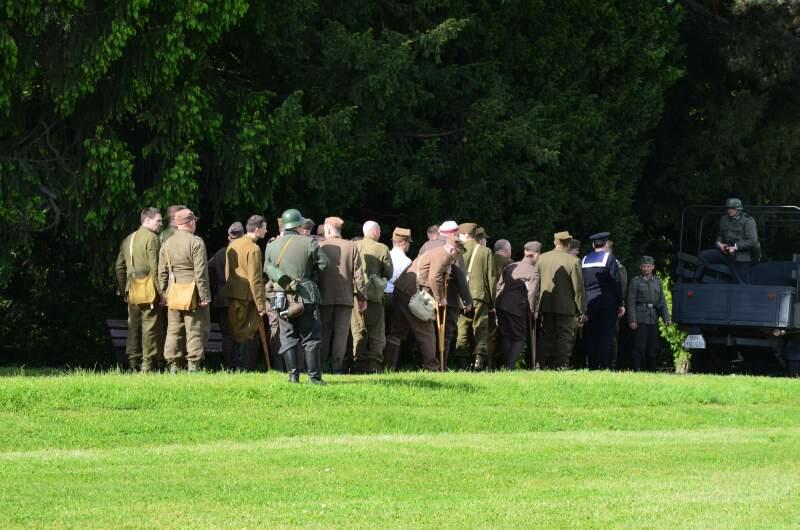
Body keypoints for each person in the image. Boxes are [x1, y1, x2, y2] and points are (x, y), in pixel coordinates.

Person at [264, 208, 330, 384]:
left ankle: (293, 377)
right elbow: (325, 265)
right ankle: (314, 378)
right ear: (299, 225)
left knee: (287, 336)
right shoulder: (309, 242)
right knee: (310, 337)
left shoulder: (271, 245)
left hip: (280, 296)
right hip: (305, 295)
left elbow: (267, 269)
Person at [385, 236, 465, 371]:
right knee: (426, 330)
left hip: (401, 291)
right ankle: (432, 367)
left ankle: (388, 366)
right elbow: (434, 278)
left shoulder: (436, 252)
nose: (457, 257)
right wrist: (440, 298)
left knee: (397, 331)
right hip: (413, 294)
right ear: (452, 249)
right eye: (457, 253)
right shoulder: (444, 255)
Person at [157, 208, 211, 373]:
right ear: (191, 222)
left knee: (174, 329)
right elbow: (200, 272)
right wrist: (204, 296)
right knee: (194, 328)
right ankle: (193, 365)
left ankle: (174, 365)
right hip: (192, 292)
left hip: (173, 291)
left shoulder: (167, 243)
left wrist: (164, 294)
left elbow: (162, 272)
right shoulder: (196, 242)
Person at [115, 207, 164, 372]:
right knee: (150, 327)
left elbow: (119, 267)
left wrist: (124, 291)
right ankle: (147, 365)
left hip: (132, 289)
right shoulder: (152, 238)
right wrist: (162, 293)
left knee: (133, 326)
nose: (161, 224)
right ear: (147, 220)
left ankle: (132, 362)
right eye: (158, 221)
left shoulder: (128, 239)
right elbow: (155, 268)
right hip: (149, 290)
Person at [419, 221, 473, 360]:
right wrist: (467, 300)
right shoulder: (454, 247)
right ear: (453, 234)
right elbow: (460, 276)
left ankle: (427, 363)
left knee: (428, 331)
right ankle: (441, 364)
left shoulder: (427, 245)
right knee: (445, 333)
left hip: (425, 295)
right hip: (447, 298)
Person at [318, 217, 366, 373]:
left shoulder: (320, 246)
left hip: (323, 296)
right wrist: (362, 298)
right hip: (345, 297)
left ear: (328, 229)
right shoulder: (351, 246)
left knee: (323, 332)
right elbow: (359, 276)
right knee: (341, 334)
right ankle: (337, 368)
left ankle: (320, 366)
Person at [535, 231, 586, 369]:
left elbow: (535, 284)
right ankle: (561, 365)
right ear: (569, 244)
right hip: (566, 307)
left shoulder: (542, 258)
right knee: (564, 336)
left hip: (545, 305)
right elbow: (578, 289)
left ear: (555, 242)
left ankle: (540, 363)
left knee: (546, 334)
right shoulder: (573, 261)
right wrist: (581, 310)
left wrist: (536, 306)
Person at [225, 215, 268, 371]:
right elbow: (255, 279)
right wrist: (261, 305)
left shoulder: (233, 245)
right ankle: (244, 368)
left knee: (235, 332)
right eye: (264, 228)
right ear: (257, 230)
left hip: (233, 295)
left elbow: (227, 273)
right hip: (247, 298)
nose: (266, 231)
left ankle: (234, 366)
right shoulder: (254, 249)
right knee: (247, 333)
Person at [352, 220, 393, 372]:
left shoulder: (354, 246)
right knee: (376, 332)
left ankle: (358, 365)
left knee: (357, 330)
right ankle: (374, 366)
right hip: (374, 296)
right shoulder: (382, 248)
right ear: (375, 232)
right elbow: (389, 272)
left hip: (355, 295)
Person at [455, 223, 496, 371]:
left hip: (462, 296)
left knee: (462, 328)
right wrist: (492, 302)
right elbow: (491, 278)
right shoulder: (486, 252)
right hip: (479, 295)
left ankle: (461, 364)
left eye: (460, 235)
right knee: (481, 329)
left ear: (466, 235)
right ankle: (479, 362)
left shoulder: (458, 251)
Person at [581, 232, 625, 370]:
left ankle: (592, 364)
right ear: (606, 244)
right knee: (606, 334)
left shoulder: (584, 259)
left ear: (593, 245)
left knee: (591, 334)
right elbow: (615, 282)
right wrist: (620, 303)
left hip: (589, 301)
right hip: (607, 301)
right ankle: (603, 365)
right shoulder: (609, 258)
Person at [495, 241, 541, 369]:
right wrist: (532, 311)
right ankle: (510, 367)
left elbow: (499, 286)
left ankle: (505, 366)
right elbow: (532, 293)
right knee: (519, 338)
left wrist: (496, 305)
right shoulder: (533, 272)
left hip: (501, 305)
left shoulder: (510, 266)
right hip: (516, 307)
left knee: (506, 336)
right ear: (536, 255)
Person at [695, 198, 759, 284]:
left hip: (740, 257)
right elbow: (720, 235)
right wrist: (719, 244)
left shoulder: (748, 220)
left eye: (731, 208)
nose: (729, 210)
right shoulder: (724, 219)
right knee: (703, 256)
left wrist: (735, 247)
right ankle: (696, 282)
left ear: (738, 209)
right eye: (728, 208)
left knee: (741, 284)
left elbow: (752, 240)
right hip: (725, 253)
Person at [208, 222, 245, 369]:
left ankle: (229, 365)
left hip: (222, 297)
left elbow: (208, 269)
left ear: (228, 237)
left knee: (227, 334)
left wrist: (216, 285)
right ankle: (239, 364)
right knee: (240, 332)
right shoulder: (244, 252)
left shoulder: (219, 253)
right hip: (240, 297)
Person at [627, 256, 670, 371]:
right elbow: (631, 301)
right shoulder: (636, 281)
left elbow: (662, 301)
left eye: (648, 266)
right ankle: (637, 370)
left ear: (653, 267)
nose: (646, 269)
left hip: (653, 318)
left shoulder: (657, 281)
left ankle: (652, 371)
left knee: (653, 347)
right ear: (640, 267)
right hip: (640, 318)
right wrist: (632, 319)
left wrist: (666, 318)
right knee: (639, 346)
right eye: (644, 266)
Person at [488, 239, 514, 370]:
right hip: (504, 303)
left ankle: (489, 364)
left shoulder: (488, 260)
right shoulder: (509, 264)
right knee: (504, 334)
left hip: (488, 301)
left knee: (489, 333)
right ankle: (503, 364)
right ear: (506, 250)